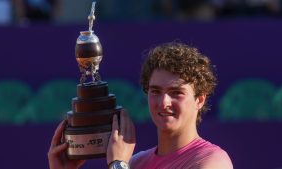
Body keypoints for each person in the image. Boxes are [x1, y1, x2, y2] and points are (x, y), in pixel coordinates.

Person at [48, 41, 233, 169]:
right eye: (156, 92)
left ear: (199, 100)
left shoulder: (213, 161)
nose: (164, 102)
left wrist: (118, 164)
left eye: (176, 93)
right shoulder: (135, 163)